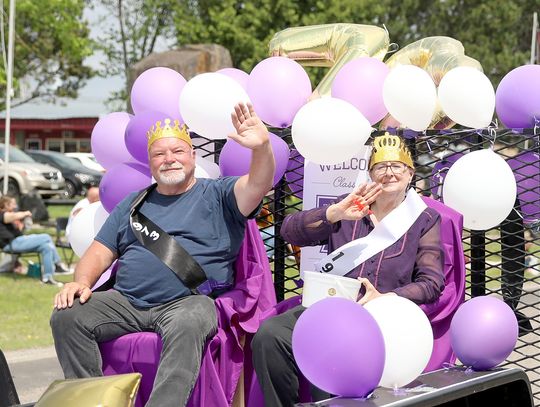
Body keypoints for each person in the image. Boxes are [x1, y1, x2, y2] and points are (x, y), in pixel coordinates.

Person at [50, 102, 275, 407]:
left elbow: (258, 184)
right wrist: (81, 282)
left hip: (188, 304)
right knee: (69, 315)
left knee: (191, 320)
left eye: (177, 151)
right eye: (159, 154)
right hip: (127, 302)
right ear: (151, 163)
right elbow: (98, 253)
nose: (169, 159)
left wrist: (261, 147)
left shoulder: (219, 194)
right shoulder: (133, 204)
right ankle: (92, 400)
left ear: (192, 156)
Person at [251, 134, 445, 406]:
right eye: (381, 167)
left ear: (410, 174)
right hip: (331, 306)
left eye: (397, 166)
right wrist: (333, 214)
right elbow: (289, 232)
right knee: (270, 334)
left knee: (335, 345)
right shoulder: (349, 205)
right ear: (370, 174)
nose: (389, 172)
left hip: (379, 315)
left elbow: (431, 282)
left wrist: (388, 298)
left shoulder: (424, 219)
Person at [0, 195, 69, 286]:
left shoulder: (10, 215)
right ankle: (58, 264)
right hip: (11, 244)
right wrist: (25, 213)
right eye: (13, 203)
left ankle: (47, 278)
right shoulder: (2, 214)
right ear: (5, 205)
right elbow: (10, 217)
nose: (15, 205)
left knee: (46, 247)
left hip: (18, 241)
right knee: (46, 236)